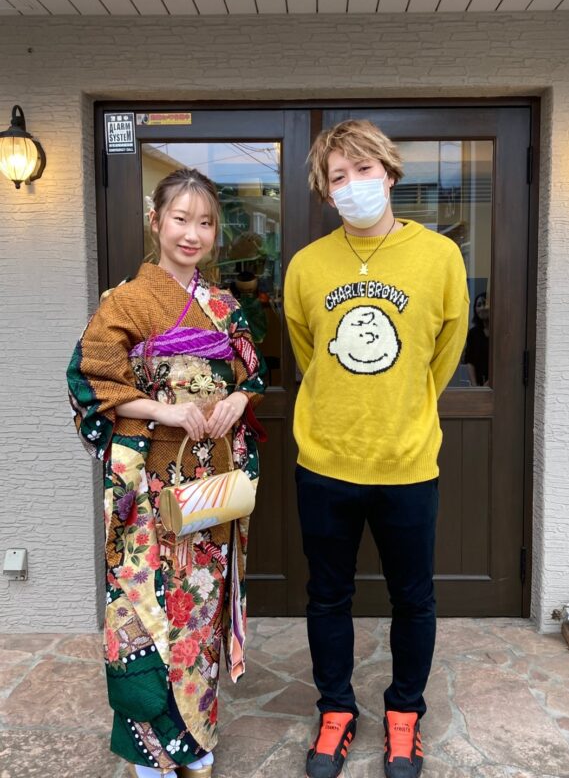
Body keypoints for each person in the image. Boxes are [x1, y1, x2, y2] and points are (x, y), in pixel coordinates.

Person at [283, 119, 469, 778]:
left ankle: (404, 713)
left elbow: (443, 354)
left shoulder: (439, 257)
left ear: (389, 173)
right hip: (325, 462)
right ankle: (336, 709)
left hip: (407, 463)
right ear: (325, 190)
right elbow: (310, 356)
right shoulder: (306, 266)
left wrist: (402, 406)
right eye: (338, 176)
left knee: (413, 599)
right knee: (327, 597)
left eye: (363, 170)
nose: (353, 184)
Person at [67, 168, 266, 778]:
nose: (192, 233)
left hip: (210, 479)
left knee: (199, 605)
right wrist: (164, 410)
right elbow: (90, 382)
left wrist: (240, 398)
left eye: (205, 222)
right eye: (180, 219)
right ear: (156, 222)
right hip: (151, 479)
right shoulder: (125, 301)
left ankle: (196, 735)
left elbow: (252, 371)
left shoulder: (225, 306)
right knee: (147, 605)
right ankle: (151, 751)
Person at [463, 291, 490, 386]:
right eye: (479, 305)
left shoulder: (499, 332)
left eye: (485, 304)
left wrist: (491, 382)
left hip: (499, 384)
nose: (482, 308)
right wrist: (475, 388)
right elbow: (470, 361)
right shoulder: (473, 333)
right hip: (479, 384)